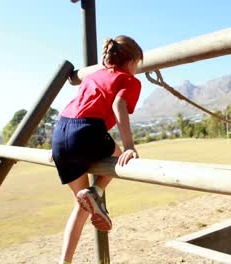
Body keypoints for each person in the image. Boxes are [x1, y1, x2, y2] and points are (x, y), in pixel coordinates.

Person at [51, 35, 143, 264]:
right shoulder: (129, 80)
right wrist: (130, 147)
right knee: (120, 157)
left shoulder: (94, 76)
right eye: (138, 64)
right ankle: (97, 191)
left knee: (80, 207)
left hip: (60, 134)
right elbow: (118, 104)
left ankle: (65, 261)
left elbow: (76, 107)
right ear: (132, 61)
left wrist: (57, 147)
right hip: (86, 131)